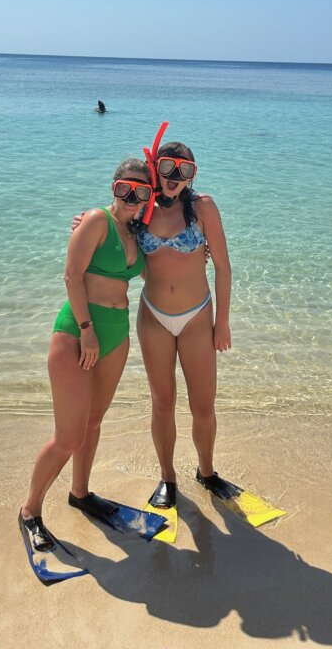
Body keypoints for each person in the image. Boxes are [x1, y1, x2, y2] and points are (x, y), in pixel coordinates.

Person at [19, 158, 151, 551]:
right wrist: (87, 331)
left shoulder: (137, 233)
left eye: (141, 191)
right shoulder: (96, 220)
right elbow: (71, 276)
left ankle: (80, 493)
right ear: (114, 188)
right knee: (67, 436)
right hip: (78, 334)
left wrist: (200, 250)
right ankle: (30, 511)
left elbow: (160, 263)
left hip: (117, 336)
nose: (131, 197)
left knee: (93, 422)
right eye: (124, 188)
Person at [135, 140, 232, 510]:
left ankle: (206, 472)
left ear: (193, 175)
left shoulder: (203, 207)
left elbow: (223, 266)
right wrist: (83, 222)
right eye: (169, 168)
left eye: (185, 170)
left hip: (196, 317)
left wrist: (221, 322)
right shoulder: (140, 206)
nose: (175, 178)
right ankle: (167, 477)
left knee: (203, 406)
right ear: (155, 167)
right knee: (162, 403)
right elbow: (110, 224)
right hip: (153, 317)